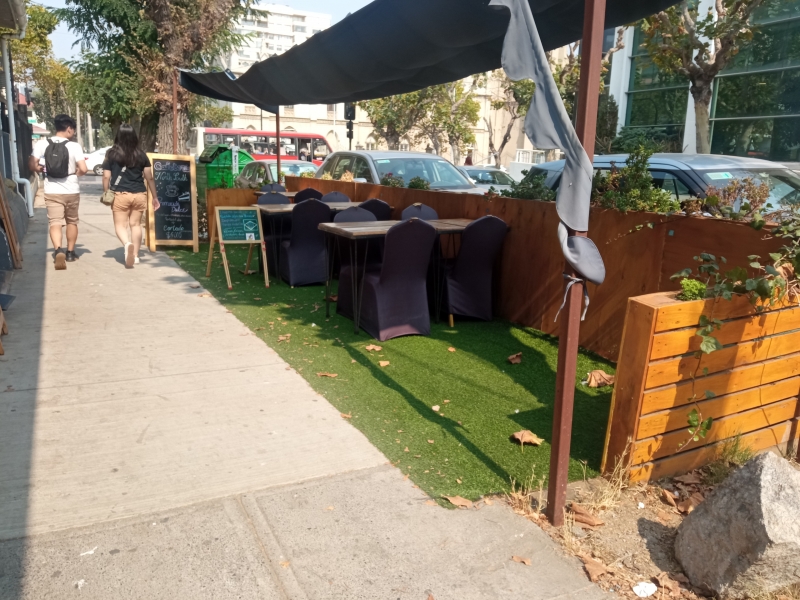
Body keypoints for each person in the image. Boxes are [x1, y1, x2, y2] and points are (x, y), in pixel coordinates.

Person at [29, 114, 88, 270]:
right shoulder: (74, 146)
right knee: (72, 221)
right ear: (68, 128)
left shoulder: (42, 143)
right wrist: (74, 174)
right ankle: (70, 252)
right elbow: (83, 169)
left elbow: (32, 164)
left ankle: (58, 250)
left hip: (51, 190)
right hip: (71, 190)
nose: (73, 133)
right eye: (73, 130)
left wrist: (41, 169)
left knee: (55, 222)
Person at [102, 124, 160, 268]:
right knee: (136, 225)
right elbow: (149, 177)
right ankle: (135, 256)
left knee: (120, 226)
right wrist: (155, 197)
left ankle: (127, 244)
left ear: (118, 136)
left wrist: (106, 191)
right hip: (139, 194)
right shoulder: (141, 154)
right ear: (134, 136)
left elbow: (106, 176)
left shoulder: (111, 154)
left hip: (120, 194)